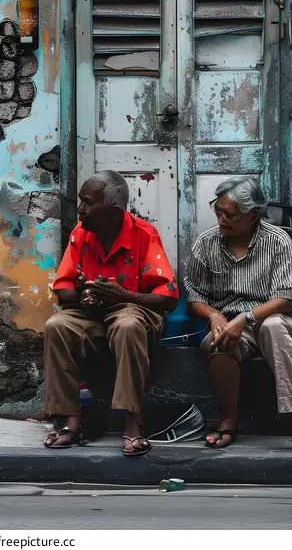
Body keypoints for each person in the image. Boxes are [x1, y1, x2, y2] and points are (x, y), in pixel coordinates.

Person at [184, 176, 292, 461]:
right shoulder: (206, 243)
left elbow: (287, 298)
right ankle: (228, 420)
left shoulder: (277, 241)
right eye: (218, 211)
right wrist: (215, 316)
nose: (221, 219)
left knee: (274, 327)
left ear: (252, 216)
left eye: (229, 214)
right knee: (218, 339)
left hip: (273, 317)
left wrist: (246, 317)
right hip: (231, 322)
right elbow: (194, 294)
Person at [43, 170, 179, 456]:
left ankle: (132, 421)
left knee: (128, 324)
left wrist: (122, 295)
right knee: (57, 324)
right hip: (90, 312)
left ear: (114, 212)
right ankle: (69, 421)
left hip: (135, 311)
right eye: (81, 201)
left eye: (88, 203)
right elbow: (63, 290)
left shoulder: (144, 235)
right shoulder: (81, 234)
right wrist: (85, 292)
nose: (80, 209)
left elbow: (167, 299)